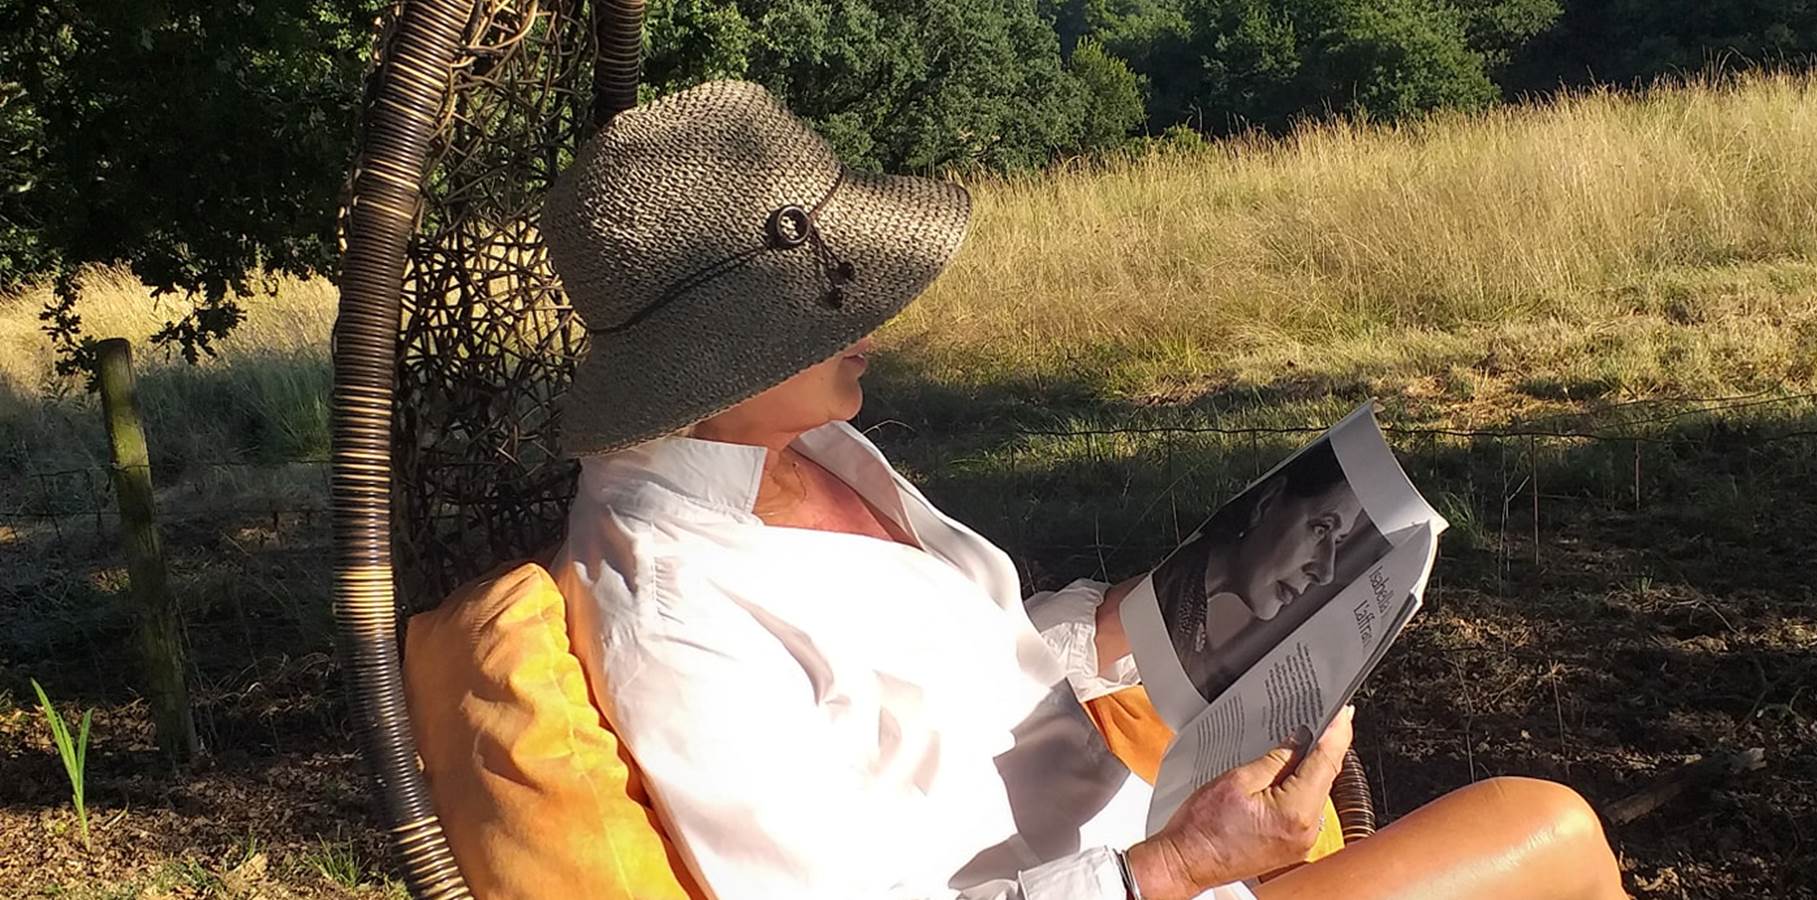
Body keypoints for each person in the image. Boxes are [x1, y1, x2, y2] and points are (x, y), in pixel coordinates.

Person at [544, 81, 1626, 900]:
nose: (871, 327)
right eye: (827, 308)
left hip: (1129, 841)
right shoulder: (672, 612)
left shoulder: (797, 450)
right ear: (712, 351)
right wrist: (1177, 861)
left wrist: (1132, 624)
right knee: (1547, 832)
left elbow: (937, 682)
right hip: (1128, 879)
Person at [1151, 442, 1390, 698]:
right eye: (1321, 529)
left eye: (1339, 541)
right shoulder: (1164, 601)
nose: (1325, 572)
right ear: (1267, 502)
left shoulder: (1189, 602)